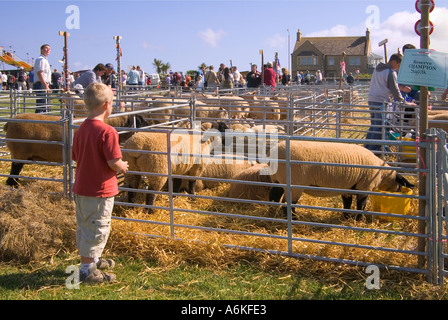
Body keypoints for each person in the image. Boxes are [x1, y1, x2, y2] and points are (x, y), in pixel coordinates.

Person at [72, 82, 129, 284]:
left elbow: (76, 156)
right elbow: (113, 162)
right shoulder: (108, 132)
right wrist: (122, 165)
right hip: (100, 190)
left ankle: (93, 260)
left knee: (86, 225)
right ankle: (87, 271)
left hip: (81, 188)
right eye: (112, 103)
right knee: (97, 228)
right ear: (107, 105)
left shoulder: (81, 130)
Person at [364, 53, 412, 152]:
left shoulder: (378, 69)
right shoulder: (390, 72)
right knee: (380, 126)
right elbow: (394, 90)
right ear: (394, 62)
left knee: (374, 125)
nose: (398, 68)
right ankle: (373, 151)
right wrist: (404, 102)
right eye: (398, 65)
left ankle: (368, 148)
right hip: (381, 101)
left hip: (372, 99)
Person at [33, 44, 52, 113]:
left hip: (43, 84)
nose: (48, 50)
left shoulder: (44, 60)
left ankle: (44, 120)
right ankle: (39, 121)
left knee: (45, 104)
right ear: (41, 50)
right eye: (46, 48)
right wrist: (45, 86)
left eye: (49, 49)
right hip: (41, 84)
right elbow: (40, 73)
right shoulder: (40, 59)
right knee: (42, 105)